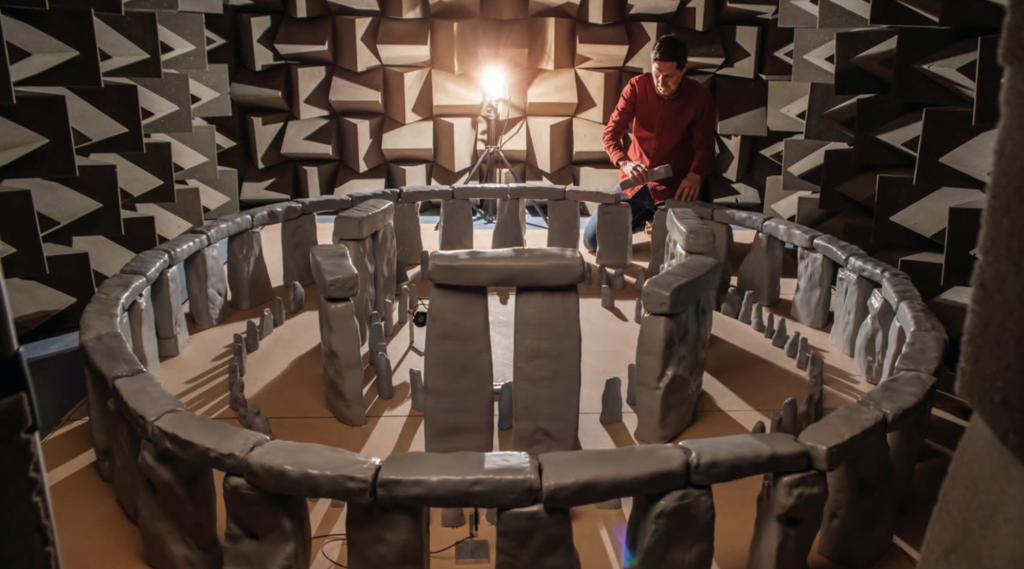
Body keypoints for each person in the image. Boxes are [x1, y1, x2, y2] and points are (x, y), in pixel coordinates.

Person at [583, 34, 717, 253]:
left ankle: (656, 219)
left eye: (669, 76)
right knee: (592, 242)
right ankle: (644, 219)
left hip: (673, 190)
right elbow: (611, 133)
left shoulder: (700, 97)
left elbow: (705, 147)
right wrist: (625, 162)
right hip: (634, 185)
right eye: (656, 74)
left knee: (688, 249)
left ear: (684, 69)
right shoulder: (636, 87)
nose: (661, 83)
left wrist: (695, 175)